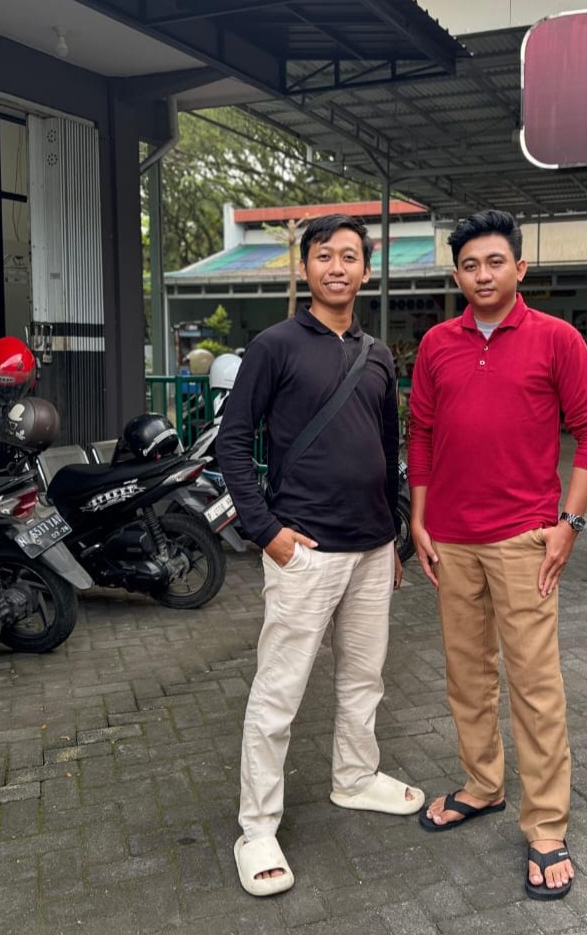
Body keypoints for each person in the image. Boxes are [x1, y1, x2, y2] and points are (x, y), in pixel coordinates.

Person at [216, 213, 423, 898]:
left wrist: (393, 534)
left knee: (365, 679)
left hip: (371, 549)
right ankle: (257, 828)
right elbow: (232, 442)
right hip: (303, 550)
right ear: (305, 268)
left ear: (366, 269)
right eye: (325, 255)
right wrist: (265, 531)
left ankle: (354, 777)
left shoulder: (380, 354)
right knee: (278, 694)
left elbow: (388, 448)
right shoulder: (273, 346)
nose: (338, 267)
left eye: (350, 256)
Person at [407, 210, 587, 901]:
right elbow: (421, 433)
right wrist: (419, 518)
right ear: (457, 275)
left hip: (526, 539)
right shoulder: (437, 344)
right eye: (470, 265)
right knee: (467, 675)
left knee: (534, 683)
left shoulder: (557, 339)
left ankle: (547, 825)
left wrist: (569, 525)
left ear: (520, 268)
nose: (483, 275)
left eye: (495, 262)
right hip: (451, 539)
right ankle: (482, 785)